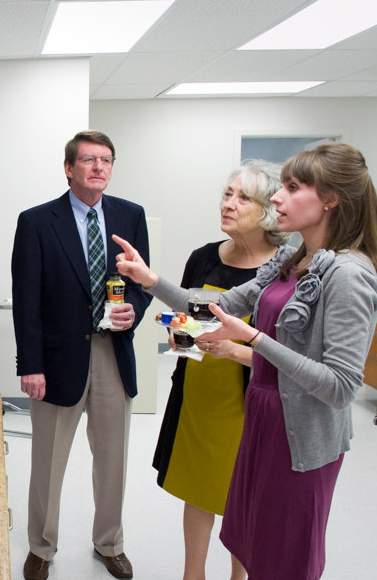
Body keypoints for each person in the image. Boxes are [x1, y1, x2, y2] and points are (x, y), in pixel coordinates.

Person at [114, 142, 377, 580]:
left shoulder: (350, 274)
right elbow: (213, 308)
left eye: (293, 188)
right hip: (260, 418)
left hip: (301, 438)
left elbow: (341, 385)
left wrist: (254, 340)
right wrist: (149, 278)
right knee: (251, 542)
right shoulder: (291, 259)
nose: (278, 197)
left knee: (283, 556)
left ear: (331, 199)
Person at [11, 130, 152, 580]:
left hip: (114, 352)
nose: (99, 168)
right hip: (55, 361)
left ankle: (110, 542)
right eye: (89, 160)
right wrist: (29, 364)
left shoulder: (131, 216)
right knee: (48, 461)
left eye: (106, 160)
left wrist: (136, 308)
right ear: (69, 168)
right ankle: (41, 547)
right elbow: (26, 298)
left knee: (112, 458)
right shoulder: (36, 221)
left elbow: (141, 283)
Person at [153, 160, 291, 580]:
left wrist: (234, 350)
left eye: (242, 197)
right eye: (227, 194)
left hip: (250, 400)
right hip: (198, 394)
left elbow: (288, 356)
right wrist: (182, 333)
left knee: (244, 498)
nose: (228, 204)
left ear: (268, 209)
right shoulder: (203, 258)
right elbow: (189, 320)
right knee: (196, 492)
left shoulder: (286, 269)